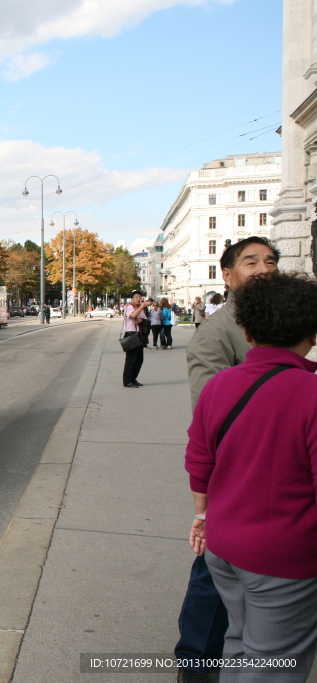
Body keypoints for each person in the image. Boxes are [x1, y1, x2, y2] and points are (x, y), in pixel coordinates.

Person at [185, 271, 317, 683]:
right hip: (282, 555)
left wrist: (203, 518)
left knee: (239, 643)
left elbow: (198, 459)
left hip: (224, 546)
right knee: (273, 664)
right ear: (312, 332)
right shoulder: (309, 393)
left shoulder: (220, 384)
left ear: (245, 329)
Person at [175, 235, 280, 683]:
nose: (263, 268)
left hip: (284, 468)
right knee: (217, 574)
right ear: (228, 275)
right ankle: (197, 664)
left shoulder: (284, 317)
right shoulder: (217, 334)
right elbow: (210, 414)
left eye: (271, 261)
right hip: (240, 475)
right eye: (251, 261)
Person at [122, 290, 149, 388]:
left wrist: (140, 319)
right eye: (136, 297)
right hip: (131, 335)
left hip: (139, 335)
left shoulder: (139, 308)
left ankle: (133, 378)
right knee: (131, 359)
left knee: (139, 359)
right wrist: (142, 306)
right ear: (132, 299)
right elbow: (133, 316)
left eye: (140, 297)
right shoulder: (130, 307)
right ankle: (127, 381)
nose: (139, 299)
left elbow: (145, 320)